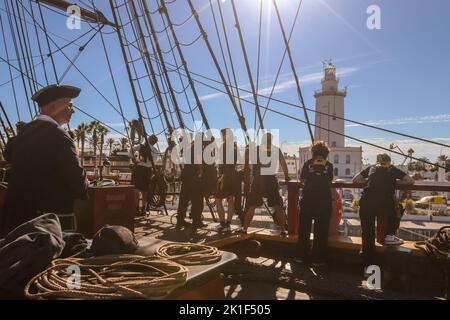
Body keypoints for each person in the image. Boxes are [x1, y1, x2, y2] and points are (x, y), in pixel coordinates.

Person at [0, 84, 88, 237]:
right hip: (49, 224)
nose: (72, 110)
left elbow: (9, 157)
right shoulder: (60, 136)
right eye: (69, 105)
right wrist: (85, 183)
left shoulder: (20, 136)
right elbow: (78, 184)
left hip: (16, 222)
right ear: (54, 106)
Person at [353, 153, 414, 269]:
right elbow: (410, 181)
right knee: (398, 209)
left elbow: (355, 180)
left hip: (367, 202)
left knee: (367, 233)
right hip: (384, 204)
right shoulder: (393, 169)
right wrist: (395, 182)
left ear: (377, 161)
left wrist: (368, 182)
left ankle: (368, 265)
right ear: (389, 162)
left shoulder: (372, 168)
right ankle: (390, 235)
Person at [240, 132, 289, 235]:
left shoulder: (256, 149)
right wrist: (287, 176)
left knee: (252, 205)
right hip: (271, 179)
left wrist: (248, 151)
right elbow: (283, 162)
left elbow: (247, 158)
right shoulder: (276, 149)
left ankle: (244, 229)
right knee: (277, 205)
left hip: (258, 180)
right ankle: (283, 230)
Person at [294, 141, 333, 266]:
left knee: (304, 228)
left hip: (308, 199)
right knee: (321, 230)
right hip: (324, 200)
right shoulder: (329, 165)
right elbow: (330, 179)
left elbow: (302, 179)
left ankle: (300, 256)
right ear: (326, 153)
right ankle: (318, 258)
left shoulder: (307, 164)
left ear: (313, 152)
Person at [176, 133, 205, 230]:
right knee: (197, 200)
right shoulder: (198, 149)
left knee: (184, 199)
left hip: (186, 176)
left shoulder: (189, 148)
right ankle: (196, 221)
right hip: (194, 177)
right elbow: (199, 163)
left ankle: (180, 220)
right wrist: (201, 172)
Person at [214, 128, 241, 233]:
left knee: (217, 199)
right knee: (231, 199)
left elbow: (219, 159)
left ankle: (222, 223)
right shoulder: (235, 146)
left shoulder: (223, 146)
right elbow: (238, 159)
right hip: (234, 175)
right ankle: (228, 225)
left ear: (225, 135)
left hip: (225, 175)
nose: (221, 137)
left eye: (222, 135)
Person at [130, 134, 160, 215]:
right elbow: (154, 162)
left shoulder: (140, 146)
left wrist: (134, 160)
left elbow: (131, 150)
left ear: (149, 139)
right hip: (148, 170)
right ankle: (143, 208)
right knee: (145, 191)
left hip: (139, 168)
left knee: (136, 189)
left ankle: (136, 209)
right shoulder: (155, 150)